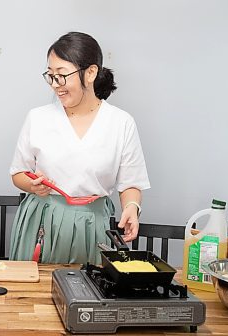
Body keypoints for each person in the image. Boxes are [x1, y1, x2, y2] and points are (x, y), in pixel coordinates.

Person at [9, 32, 150, 264]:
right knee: (33, 294)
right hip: (42, 220)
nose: (56, 85)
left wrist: (132, 208)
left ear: (91, 73)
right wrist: (32, 186)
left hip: (92, 224)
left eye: (62, 76)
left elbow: (131, 182)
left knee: (89, 293)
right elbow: (18, 173)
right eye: (51, 76)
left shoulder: (121, 123)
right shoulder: (38, 118)